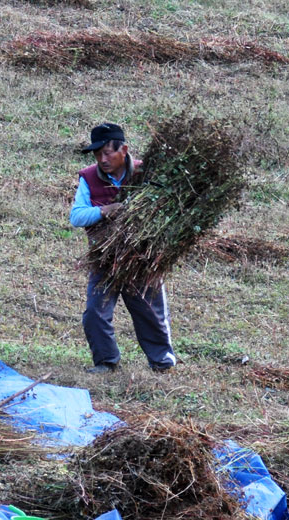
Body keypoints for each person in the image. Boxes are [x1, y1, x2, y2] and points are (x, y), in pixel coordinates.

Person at [70, 122, 178, 374]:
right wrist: (105, 211)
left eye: (108, 153)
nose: (102, 159)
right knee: (95, 312)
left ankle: (162, 362)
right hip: (104, 257)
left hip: (142, 258)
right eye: (98, 154)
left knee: (151, 313)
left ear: (124, 150)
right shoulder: (88, 177)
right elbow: (76, 217)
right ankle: (106, 362)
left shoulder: (146, 173)